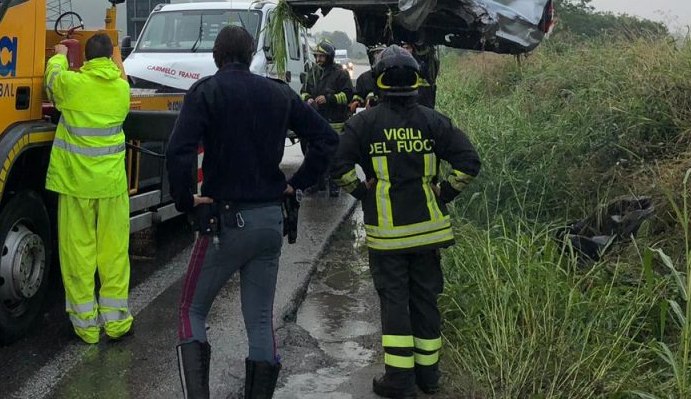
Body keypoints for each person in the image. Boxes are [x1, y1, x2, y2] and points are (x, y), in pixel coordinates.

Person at [166, 25, 338, 399]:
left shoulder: (206, 92)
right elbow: (327, 138)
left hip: (224, 223)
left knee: (190, 311)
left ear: (217, 55)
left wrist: (185, 201)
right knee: (260, 321)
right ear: (249, 55)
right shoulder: (278, 92)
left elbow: (178, 151)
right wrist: (298, 183)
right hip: (270, 220)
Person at [331, 45, 481, 398]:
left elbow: (334, 165)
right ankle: (429, 376)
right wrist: (444, 193)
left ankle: (399, 380)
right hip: (429, 233)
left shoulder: (363, 123)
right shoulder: (434, 120)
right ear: (416, 80)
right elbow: (469, 164)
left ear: (379, 81)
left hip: (388, 236)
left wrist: (360, 192)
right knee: (426, 300)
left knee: (395, 301)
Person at [44, 32, 133, 344]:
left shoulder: (72, 85)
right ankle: (117, 323)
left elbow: (52, 79)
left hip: (76, 184)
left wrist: (59, 54)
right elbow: (121, 76)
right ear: (110, 57)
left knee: (79, 253)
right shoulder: (122, 90)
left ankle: (86, 327)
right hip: (112, 186)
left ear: (85, 58)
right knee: (114, 254)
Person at [301, 40, 354, 196]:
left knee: (334, 155)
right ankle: (317, 184)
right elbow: (303, 91)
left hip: (335, 121)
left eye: (321, 57)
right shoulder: (313, 72)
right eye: (316, 56)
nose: (318, 60)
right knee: (314, 153)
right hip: (316, 120)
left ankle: (334, 184)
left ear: (329, 57)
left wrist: (329, 99)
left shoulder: (340, 73)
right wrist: (308, 98)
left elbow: (348, 95)